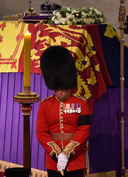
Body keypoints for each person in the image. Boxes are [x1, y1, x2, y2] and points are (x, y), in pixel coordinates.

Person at [36, 46, 90, 177]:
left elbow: (84, 129)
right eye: (56, 87)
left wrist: (66, 153)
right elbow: (41, 132)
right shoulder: (45, 104)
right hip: (53, 158)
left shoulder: (81, 103)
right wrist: (56, 153)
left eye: (62, 87)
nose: (59, 91)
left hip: (76, 158)